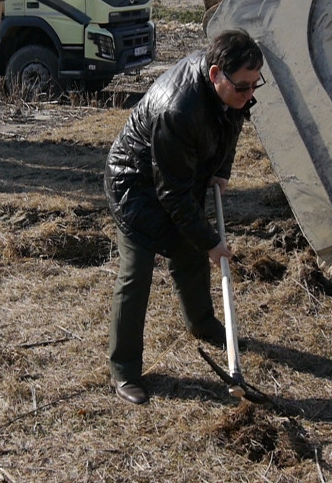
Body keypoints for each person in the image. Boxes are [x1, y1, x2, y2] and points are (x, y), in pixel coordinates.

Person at [103, 29, 264, 405]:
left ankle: (202, 324)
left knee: (190, 251)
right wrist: (211, 242)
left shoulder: (232, 90)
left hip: (179, 173)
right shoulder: (178, 108)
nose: (249, 94)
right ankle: (124, 370)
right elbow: (172, 196)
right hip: (135, 185)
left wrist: (221, 168)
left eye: (255, 85)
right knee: (137, 272)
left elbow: (234, 120)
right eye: (243, 87)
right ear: (215, 74)